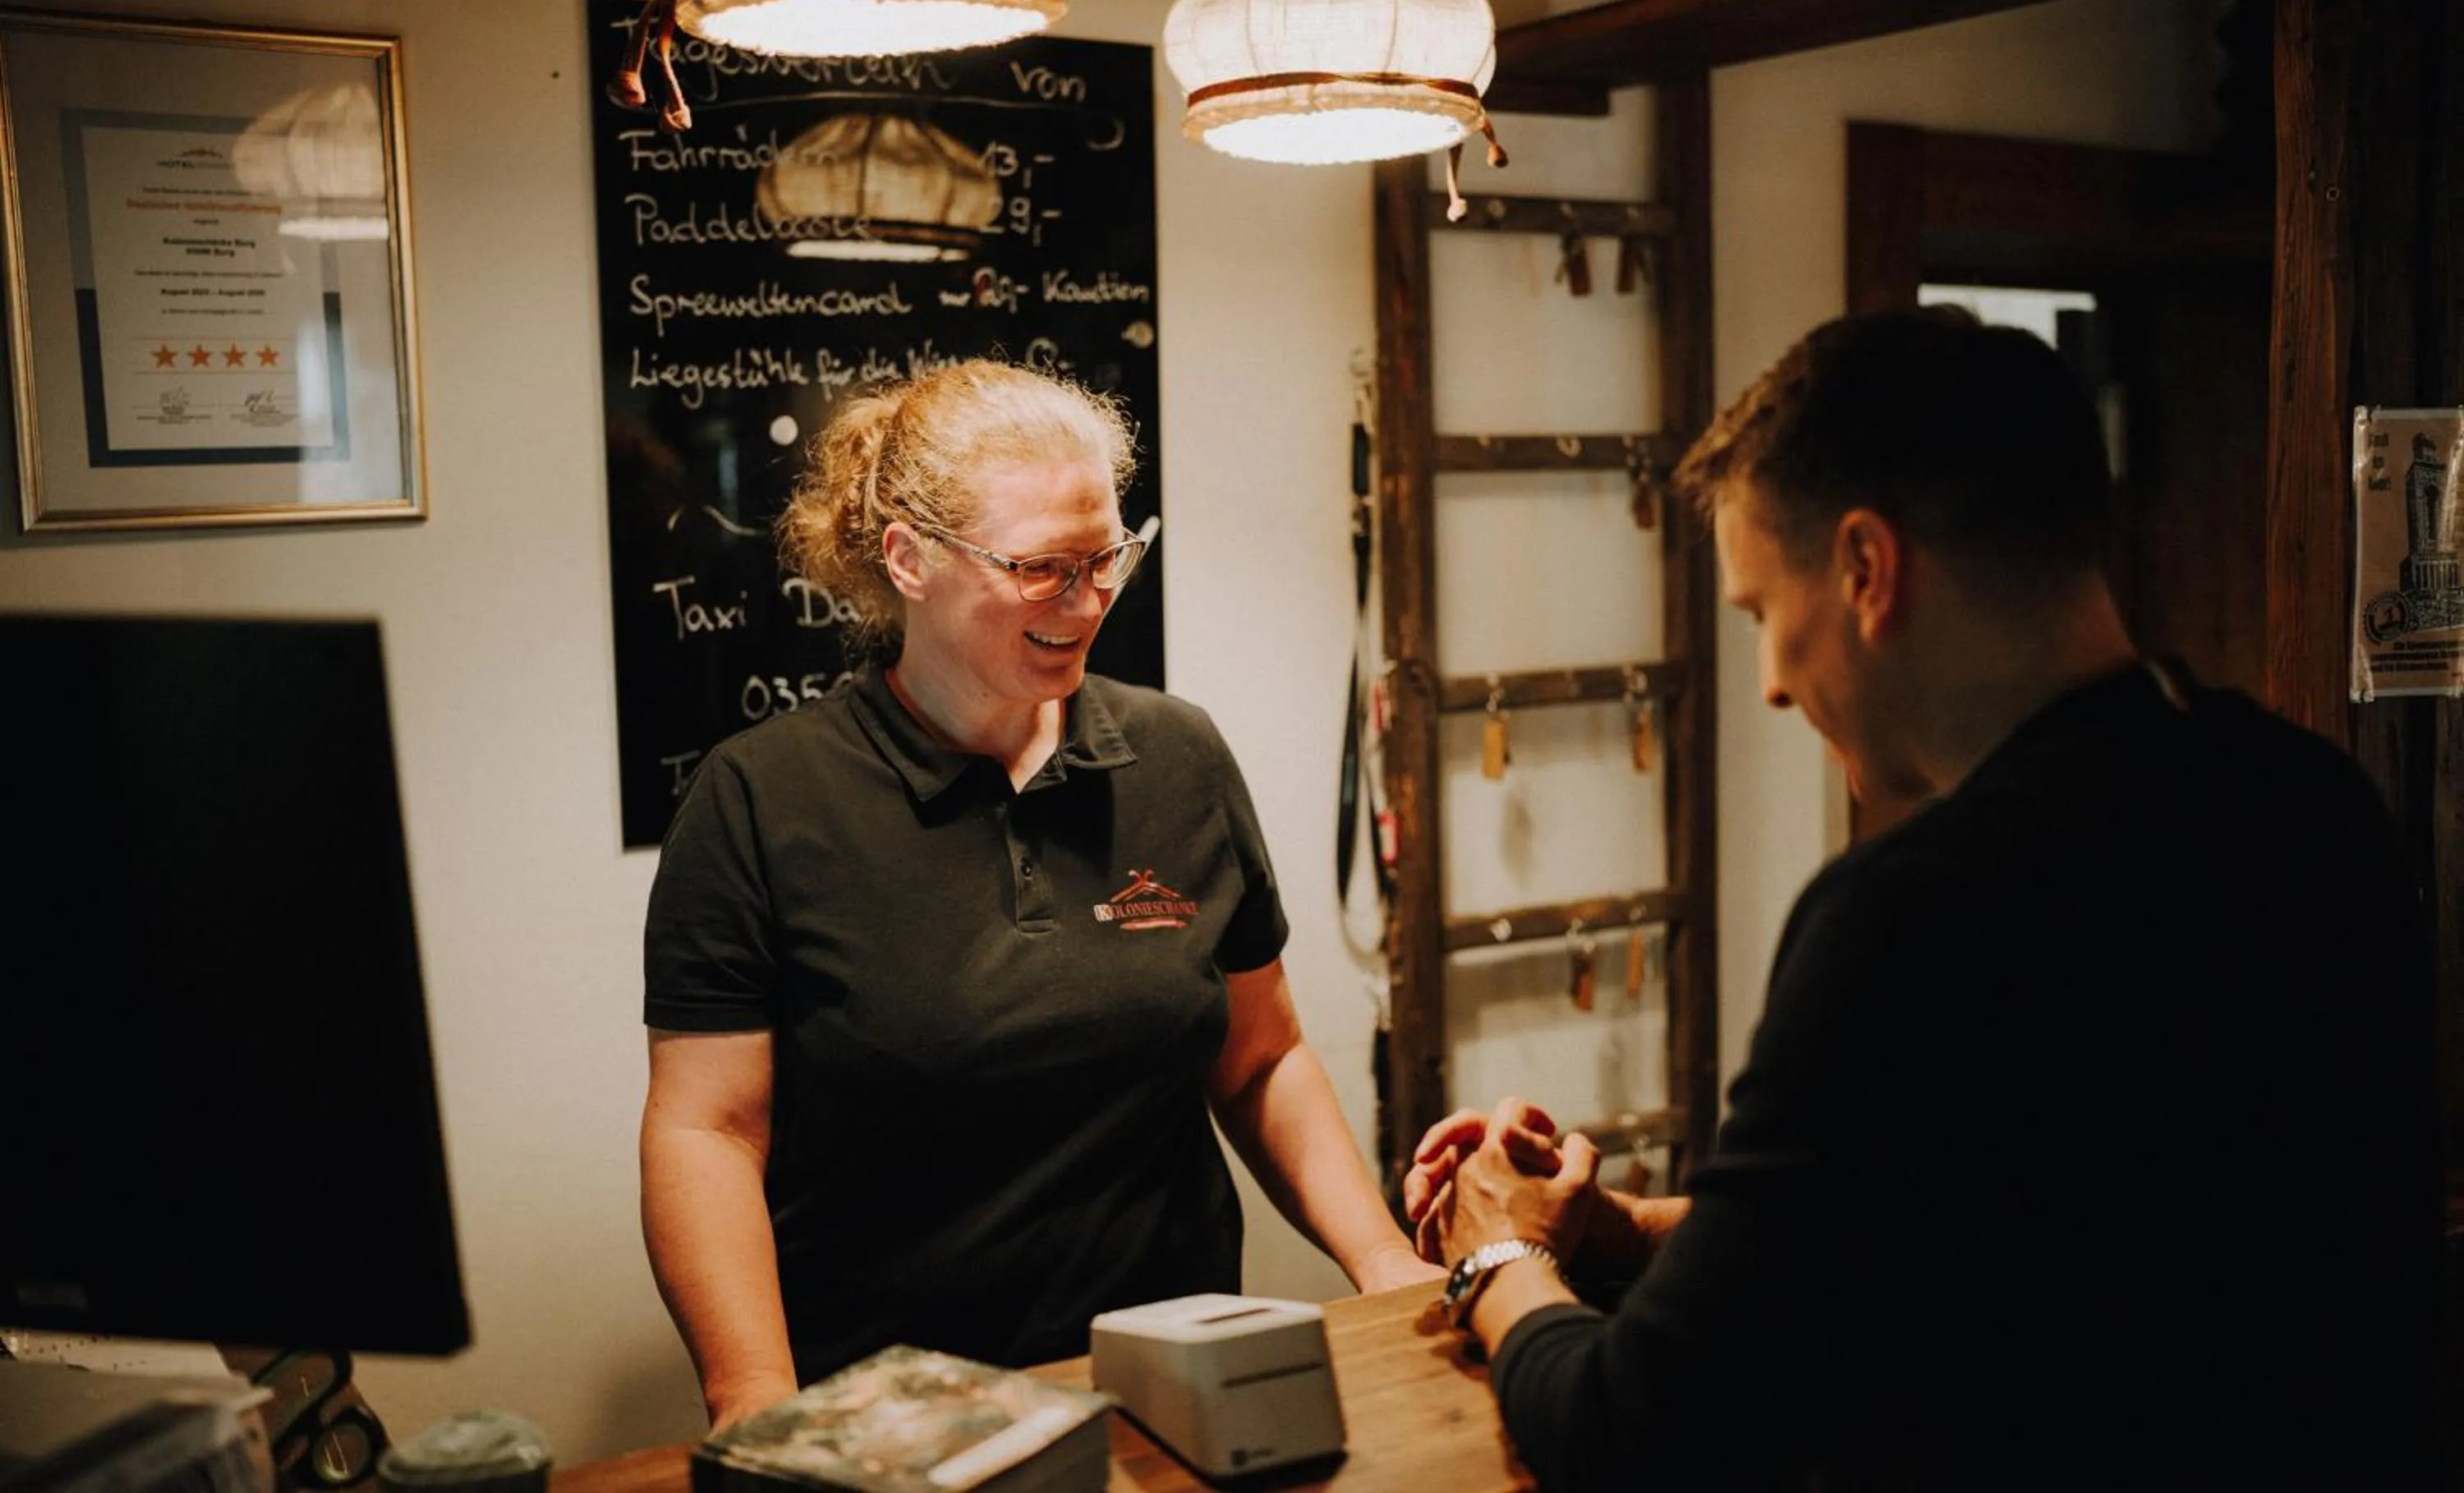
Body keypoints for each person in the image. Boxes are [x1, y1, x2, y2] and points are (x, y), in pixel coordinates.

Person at [1406, 309, 2440, 1491]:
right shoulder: (2314, 808)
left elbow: (1638, 1436)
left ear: (1863, 568)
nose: (1771, 685)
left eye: (1759, 614)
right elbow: (2038, 1238)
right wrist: (1633, 1237)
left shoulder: (1912, 918)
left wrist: (1499, 1258)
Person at [640, 359, 1434, 1428]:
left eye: (1109, 556)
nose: (1089, 599)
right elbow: (709, 1135)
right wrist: (755, 1397)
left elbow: (1261, 1058)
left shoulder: (1177, 756)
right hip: (897, 1420)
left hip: (1173, 1398)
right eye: (1042, 568)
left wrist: (1383, 1261)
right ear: (909, 559)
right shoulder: (758, 803)